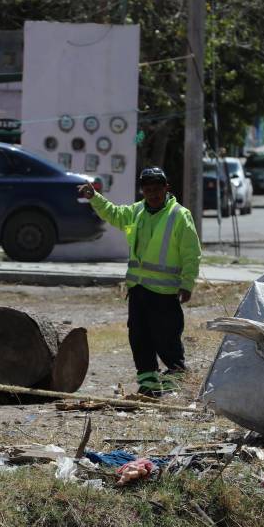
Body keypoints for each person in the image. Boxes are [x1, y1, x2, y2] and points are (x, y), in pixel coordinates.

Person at [77, 168, 202, 396]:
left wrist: (187, 283)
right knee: (139, 338)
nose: (153, 194)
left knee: (167, 339)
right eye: (148, 190)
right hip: (139, 290)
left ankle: (177, 383)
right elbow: (113, 213)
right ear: (142, 191)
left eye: (157, 189)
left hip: (165, 293)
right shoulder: (136, 213)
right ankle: (149, 386)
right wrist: (94, 197)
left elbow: (191, 253)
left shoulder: (179, 215)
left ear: (166, 188)